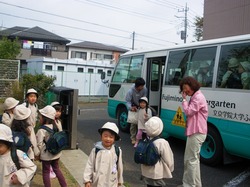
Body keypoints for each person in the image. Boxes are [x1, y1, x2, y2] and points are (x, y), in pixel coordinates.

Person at [178, 76, 208, 187]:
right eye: (183, 89)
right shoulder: (196, 96)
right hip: (196, 132)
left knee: (190, 160)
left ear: (192, 85)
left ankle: (189, 185)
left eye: (186, 88)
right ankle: (195, 184)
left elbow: (189, 112)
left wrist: (184, 100)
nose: (185, 91)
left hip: (197, 132)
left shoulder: (198, 97)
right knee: (193, 160)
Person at [83, 122, 124, 187]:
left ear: (114, 139)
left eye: (111, 137)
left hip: (111, 181)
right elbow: (90, 165)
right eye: (105, 136)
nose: (108, 139)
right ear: (101, 136)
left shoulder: (117, 151)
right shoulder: (96, 150)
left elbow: (119, 167)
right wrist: (87, 180)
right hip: (97, 181)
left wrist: (120, 181)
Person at [36, 105, 67, 187]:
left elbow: (39, 144)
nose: (40, 118)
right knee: (57, 169)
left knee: (46, 172)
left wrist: (38, 155)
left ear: (44, 118)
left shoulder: (41, 130)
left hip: (46, 155)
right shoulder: (55, 125)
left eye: (41, 116)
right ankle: (64, 185)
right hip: (56, 153)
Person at [141, 117, 174, 187]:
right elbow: (168, 159)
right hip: (157, 173)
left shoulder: (145, 141)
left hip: (146, 172)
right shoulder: (162, 142)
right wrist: (170, 169)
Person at [125, 77, 147, 145]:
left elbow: (144, 99)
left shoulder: (144, 89)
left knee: (141, 123)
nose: (143, 87)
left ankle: (140, 138)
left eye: (143, 85)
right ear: (137, 86)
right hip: (133, 107)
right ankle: (133, 138)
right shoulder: (130, 91)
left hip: (141, 107)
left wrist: (143, 106)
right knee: (133, 124)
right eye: (142, 86)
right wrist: (131, 107)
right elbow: (127, 101)